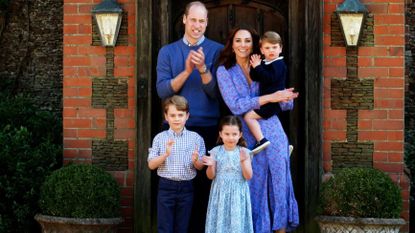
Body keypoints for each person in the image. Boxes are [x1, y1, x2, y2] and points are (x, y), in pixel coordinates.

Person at [216, 26, 300, 233]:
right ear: (232, 44)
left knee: (280, 181)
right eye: (238, 40)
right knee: (255, 184)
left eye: (247, 41)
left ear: (255, 45)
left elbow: (283, 102)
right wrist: (271, 98)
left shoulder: (268, 63)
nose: (243, 45)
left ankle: (281, 228)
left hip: (272, 127)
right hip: (246, 132)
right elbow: (235, 105)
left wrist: (286, 98)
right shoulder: (224, 70)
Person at [156, 2, 223, 232]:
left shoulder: (217, 50)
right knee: (172, 190)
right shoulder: (168, 51)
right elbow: (163, 91)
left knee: (203, 189)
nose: (197, 25)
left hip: (206, 127)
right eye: (193, 20)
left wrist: (203, 69)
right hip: (174, 129)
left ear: (207, 23)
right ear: (184, 19)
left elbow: (216, 94)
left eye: (202, 21)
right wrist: (186, 70)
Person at [147, 95, 205, 233]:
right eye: (173, 115)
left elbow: (200, 167)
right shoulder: (160, 138)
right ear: (166, 117)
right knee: (164, 227)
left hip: (187, 187)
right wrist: (165, 154)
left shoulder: (196, 138)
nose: (177, 118)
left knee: (182, 227)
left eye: (180, 115)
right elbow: (151, 165)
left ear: (187, 116)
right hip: (166, 186)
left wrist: (196, 160)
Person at [203, 115, 253, 233]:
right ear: (220, 134)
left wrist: (243, 161)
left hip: (238, 193)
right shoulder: (215, 151)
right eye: (227, 134)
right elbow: (211, 176)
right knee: (220, 223)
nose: (231, 138)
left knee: (237, 224)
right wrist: (210, 165)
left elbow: (248, 176)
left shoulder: (245, 152)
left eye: (234, 134)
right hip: (220, 193)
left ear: (240, 134)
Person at [245, 31, 287, 154]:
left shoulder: (279, 64)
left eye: (274, 47)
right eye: (267, 48)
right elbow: (256, 77)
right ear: (262, 50)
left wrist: (258, 67)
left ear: (280, 48)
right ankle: (282, 146)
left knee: (249, 117)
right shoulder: (266, 63)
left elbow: (269, 78)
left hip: (273, 102)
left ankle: (261, 140)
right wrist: (254, 67)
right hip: (268, 101)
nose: (271, 50)